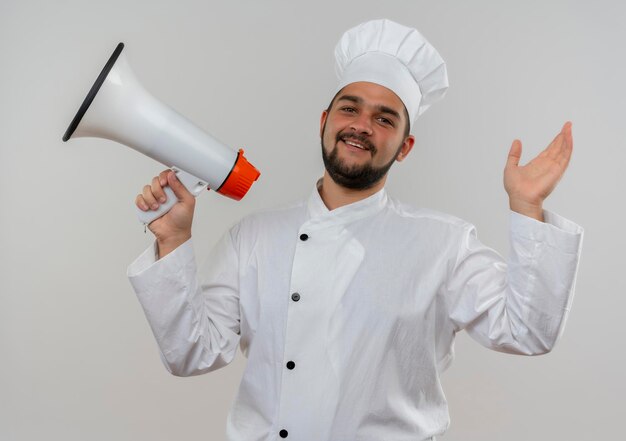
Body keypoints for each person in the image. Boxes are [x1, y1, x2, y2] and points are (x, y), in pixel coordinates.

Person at [127, 19, 583, 441]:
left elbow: (529, 332)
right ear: (325, 122)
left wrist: (527, 207)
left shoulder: (445, 244)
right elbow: (192, 354)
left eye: (385, 119)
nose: (362, 126)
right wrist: (172, 241)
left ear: (404, 147)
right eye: (350, 108)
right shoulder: (253, 238)